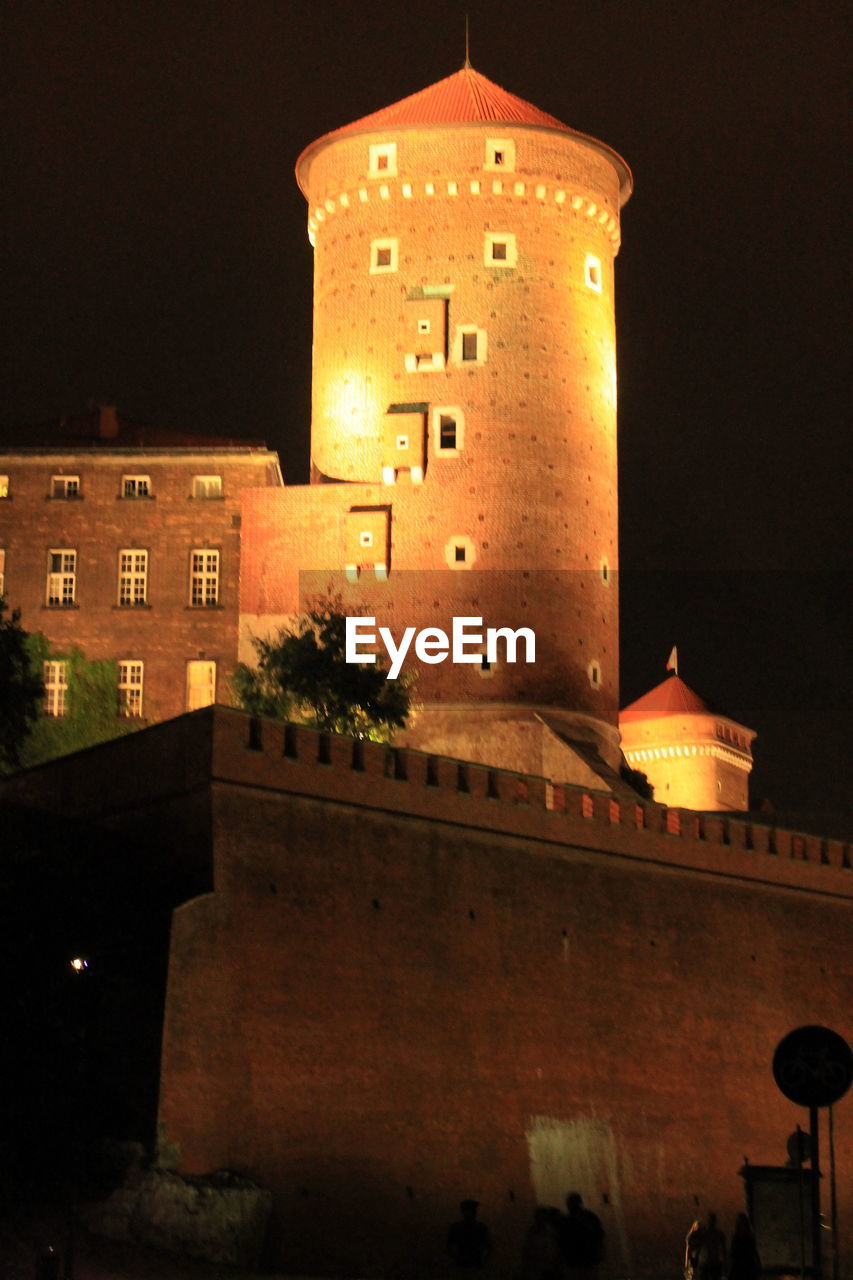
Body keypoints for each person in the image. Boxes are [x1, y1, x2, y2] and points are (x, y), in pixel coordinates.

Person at [559, 1192, 605, 1280]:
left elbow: (562, 1241)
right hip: (586, 1259)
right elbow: (599, 1235)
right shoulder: (589, 1217)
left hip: (576, 1260)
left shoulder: (567, 1221)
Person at [447, 1199, 492, 1270]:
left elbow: (449, 1246)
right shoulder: (481, 1227)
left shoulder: (456, 1227)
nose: (472, 1213)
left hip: (466, 1264)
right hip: (472, 1264)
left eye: (473, 1210)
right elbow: (488, 1247)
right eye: (470, 1210)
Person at [521, 1205, 561, 1279]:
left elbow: (555, 1250)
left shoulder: (551, 1232)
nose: (542, 1220)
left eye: (543, 1217)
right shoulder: (532, 1233)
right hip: (537, 1269)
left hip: (548, 1269)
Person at [686, 1212, 727, 1280]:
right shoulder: (708, 1234)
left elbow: (695, 1246)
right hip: (708, 1263)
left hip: (711, 1263)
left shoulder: (708, 1234)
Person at [728, 1213, 761, 1280]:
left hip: (747, 1264)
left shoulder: (748, 1237)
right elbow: (732, 1251)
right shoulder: (737, 1237)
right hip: (740, 1265)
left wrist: (758, 1263)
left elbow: (753, 1251)